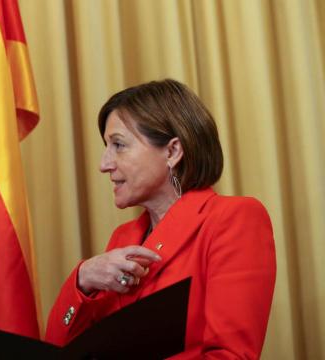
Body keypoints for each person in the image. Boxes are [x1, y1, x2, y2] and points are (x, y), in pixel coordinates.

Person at [45, 79, 276, 358]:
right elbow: (60, 349)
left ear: (172, 151)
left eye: (118, 145)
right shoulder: (122, 237)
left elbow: (229, 355)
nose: (104, 164)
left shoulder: (233, 219)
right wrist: (84, 278)